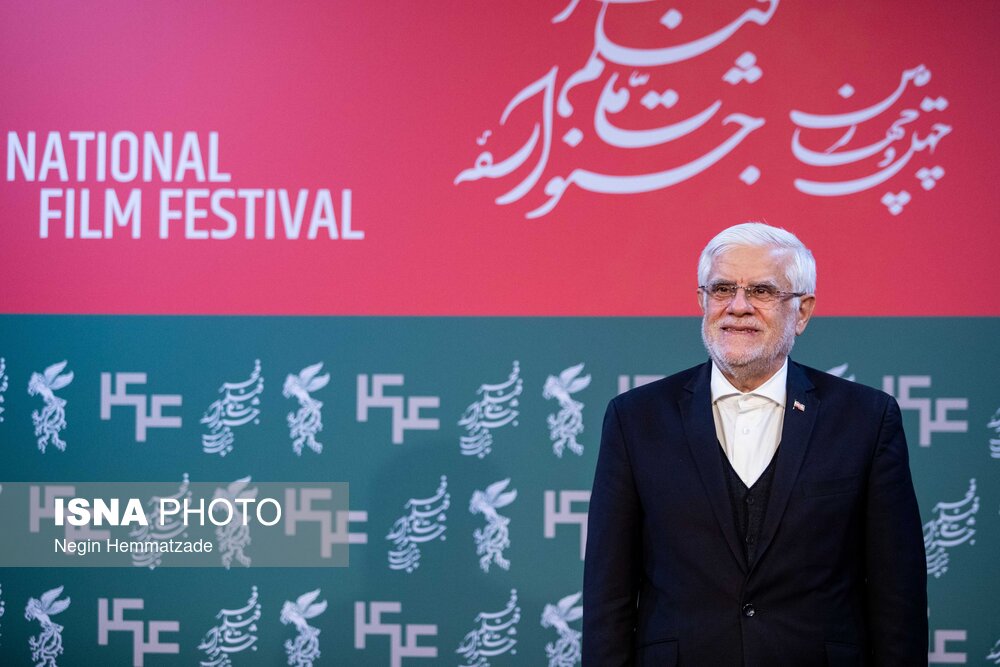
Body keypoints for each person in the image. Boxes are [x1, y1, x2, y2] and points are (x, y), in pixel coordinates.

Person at [582, 222, 926, 666]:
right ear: (702, 301)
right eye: (722, 289)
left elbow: (897, 595)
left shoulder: (865, 419)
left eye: (762, 291)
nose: (738, 307)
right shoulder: (636, 419)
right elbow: (608, 594)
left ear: (802, 311)